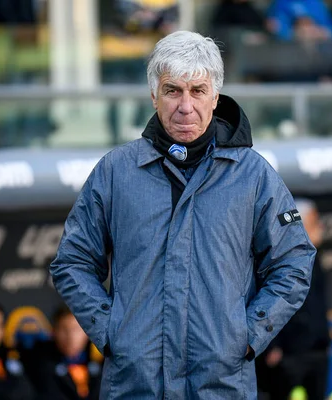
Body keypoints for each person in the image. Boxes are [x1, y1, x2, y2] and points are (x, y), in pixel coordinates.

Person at [50, 30, 316, 399]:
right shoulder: (116, 172)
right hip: (135, 385)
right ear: (154, 96)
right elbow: (72, 261)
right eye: (173, 90)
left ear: (215, 97)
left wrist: (247, 336)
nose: (185, 106)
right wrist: (112, 333)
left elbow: (294, 261)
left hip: (221, 386)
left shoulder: (253, 175)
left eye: (198, 91)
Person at [257, 198, 329, 400]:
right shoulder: (279, 260)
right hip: (289, 354)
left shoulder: (316, 259)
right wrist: (271, 345)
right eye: (315, 222)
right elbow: (266, 302)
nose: (320, 227)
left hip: (316, 351)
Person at [25, 305, 103, 400]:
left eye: (76, 329)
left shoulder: (103, 365)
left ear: (87, 332)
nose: (71, 337)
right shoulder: (38, 367)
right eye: (64, 330)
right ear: (53, 332)